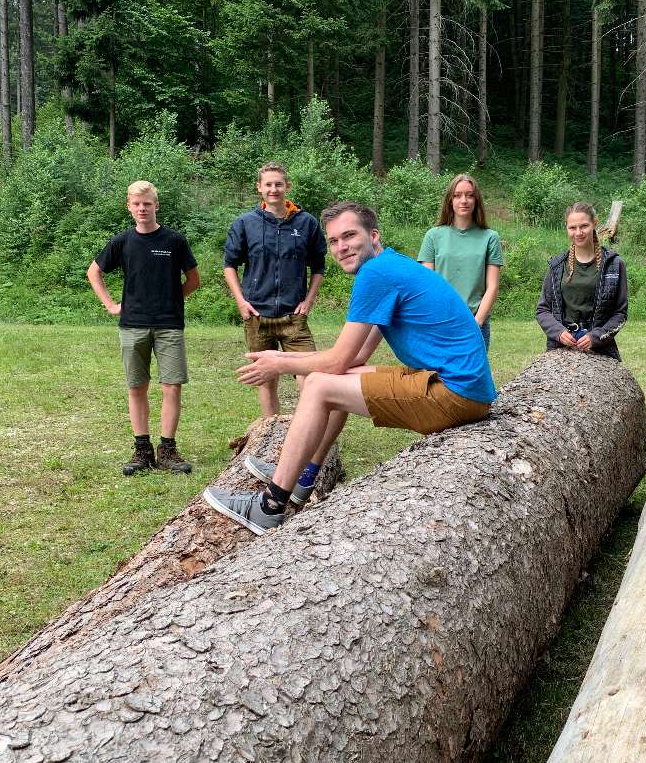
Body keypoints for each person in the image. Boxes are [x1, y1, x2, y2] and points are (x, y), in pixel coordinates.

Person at [203, 201, 495, 535]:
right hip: (461, 389)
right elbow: (351, 360)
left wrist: (279, 361)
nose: (341, 247)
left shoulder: (376, 274)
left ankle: (269, 506)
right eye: (334, 241)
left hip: (456, 394)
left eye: (349, 236)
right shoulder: (390, 265)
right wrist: (295, 362)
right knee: (328, 379)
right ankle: (302, 477)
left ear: (373, 235)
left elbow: (339, 360)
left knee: (319, 386)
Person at [87, 180, 200, 475]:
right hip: (133, 325)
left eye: (147, 204)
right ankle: (142, 450)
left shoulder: (174, 241)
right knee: (137, 387)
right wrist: (111, 305)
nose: (142, 209)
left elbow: (194, 280)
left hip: (168, 325)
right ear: (129, 207)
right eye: (136, 204)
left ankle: (168, 450)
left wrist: (171, 299)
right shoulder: (122, 242)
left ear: (156, 206)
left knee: (171, 386)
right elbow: (94, 272)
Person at [223, 161, 327, 416]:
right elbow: (229, 265)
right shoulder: (245, 223)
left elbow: (318, 267)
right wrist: (241, 302)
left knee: (309, 375)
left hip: (294, 317)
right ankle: (270, 433)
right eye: (268, 184)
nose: (274, 189)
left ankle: (306, 432)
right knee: (267, 380)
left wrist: (309, 301)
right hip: (257, 315)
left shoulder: (306, 223)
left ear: (287, 186)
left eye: (278, 184)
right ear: (259, 187)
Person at [417, 174, 504, 349]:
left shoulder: (490, 237)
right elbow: (428, 285)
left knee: (472, 376)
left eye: (469, 195)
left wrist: (476, 322)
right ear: (450, 200)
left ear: (476, 200)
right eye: (457, 195)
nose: (463, 200)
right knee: (439, 375)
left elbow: (492, 287)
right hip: (440, 322)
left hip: (476, 322)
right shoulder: (433, 236)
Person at [535, 202, 628, 360]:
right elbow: (542, 310)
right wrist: (559, 333)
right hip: (560, 347)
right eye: (572, 228)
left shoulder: (614, 265)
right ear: (567, 228)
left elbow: (620, 313)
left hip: (602, 349)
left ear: (595, 224)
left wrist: (596, 337)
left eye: (584, 226)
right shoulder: (557, 265)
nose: (578, 232)